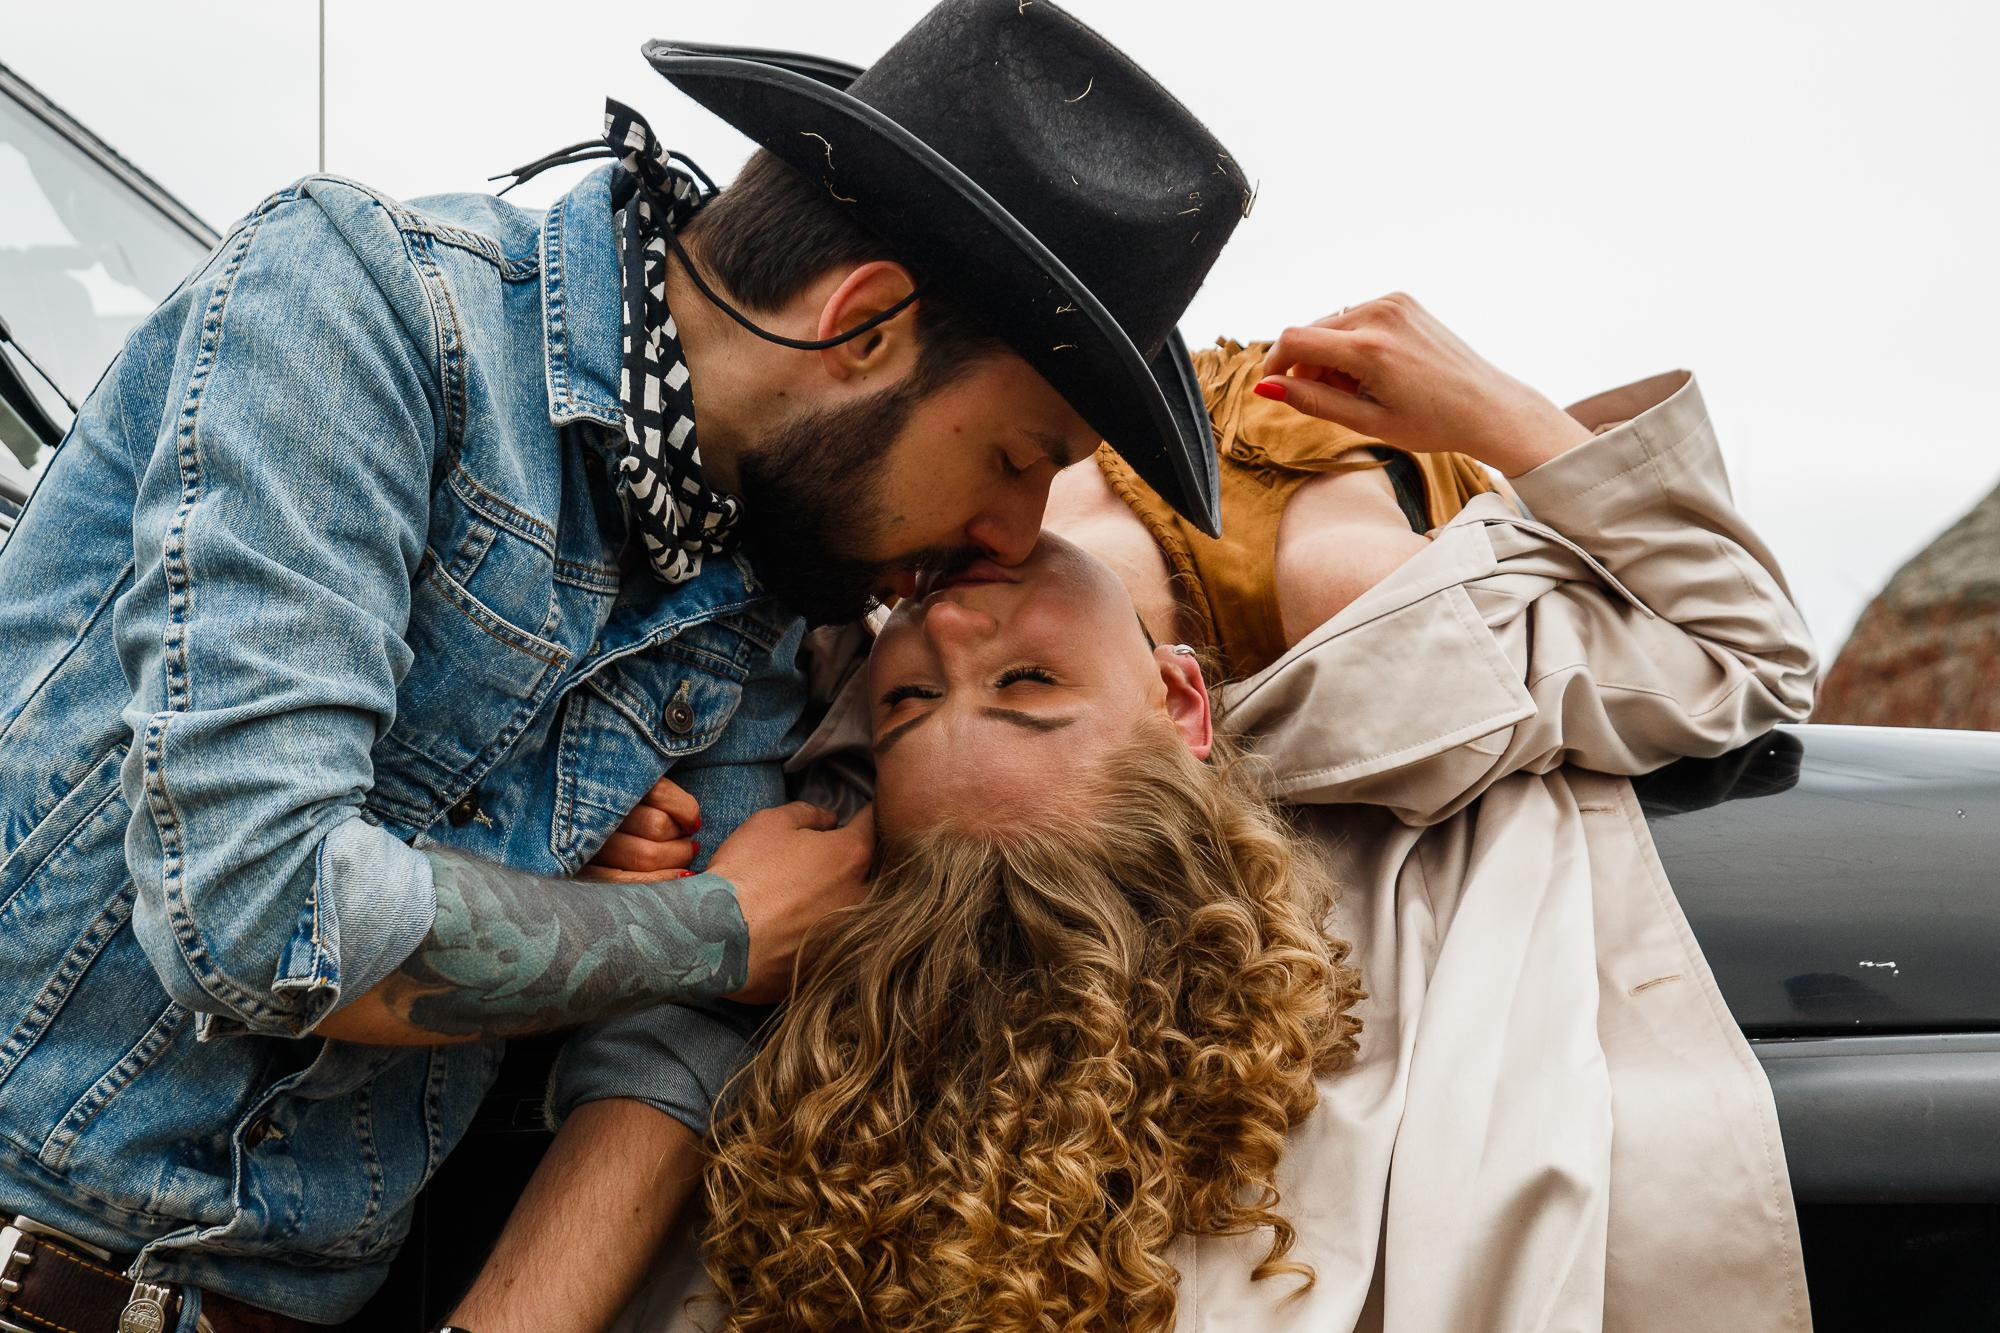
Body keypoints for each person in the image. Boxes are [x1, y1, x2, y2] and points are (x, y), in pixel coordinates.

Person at [0, 4, 1257, 1331]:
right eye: (1017, 457)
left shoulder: (770, 583)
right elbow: (259, 912)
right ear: (867, 327)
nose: (1008, 537)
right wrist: (696, 929)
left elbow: (665, 1053)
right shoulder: (363, 309)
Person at [603, 295, 1819, 1331]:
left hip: (1085, 471)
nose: (953, 631)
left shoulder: (894, 612)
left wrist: (639, 864)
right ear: (1187, 706)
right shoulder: (1376, 678)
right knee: (1337, 578)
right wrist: (1488, 406)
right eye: (1024, 684)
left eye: (911, 696)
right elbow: (1743, 651)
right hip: (1317, 483)